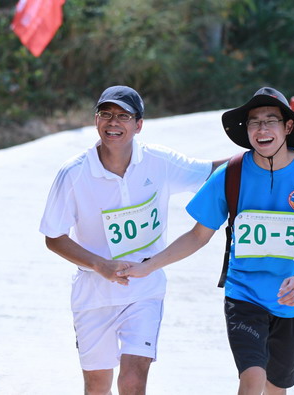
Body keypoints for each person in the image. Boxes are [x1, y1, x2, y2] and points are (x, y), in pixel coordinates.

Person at [119, 87, 294, 394]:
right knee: (252, 377)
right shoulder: (231, 174)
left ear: (288, 127)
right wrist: (148, 265)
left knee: (276, 388)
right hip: (244, 294)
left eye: (270, 120)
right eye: (254, 122)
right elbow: (198, 235)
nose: (262, 129)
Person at [39, 85, 226, 395]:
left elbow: (211, 172)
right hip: (93, 292)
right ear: (96, 120)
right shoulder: (73, 173)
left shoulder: (158, 161)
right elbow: (54, 237)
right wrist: (100, 265)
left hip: (144, 287)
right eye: (106, 114)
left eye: (123, 116)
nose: (113, 123)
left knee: (132, 381)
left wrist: (263, 153)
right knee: (97, 386)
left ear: (139, 125)